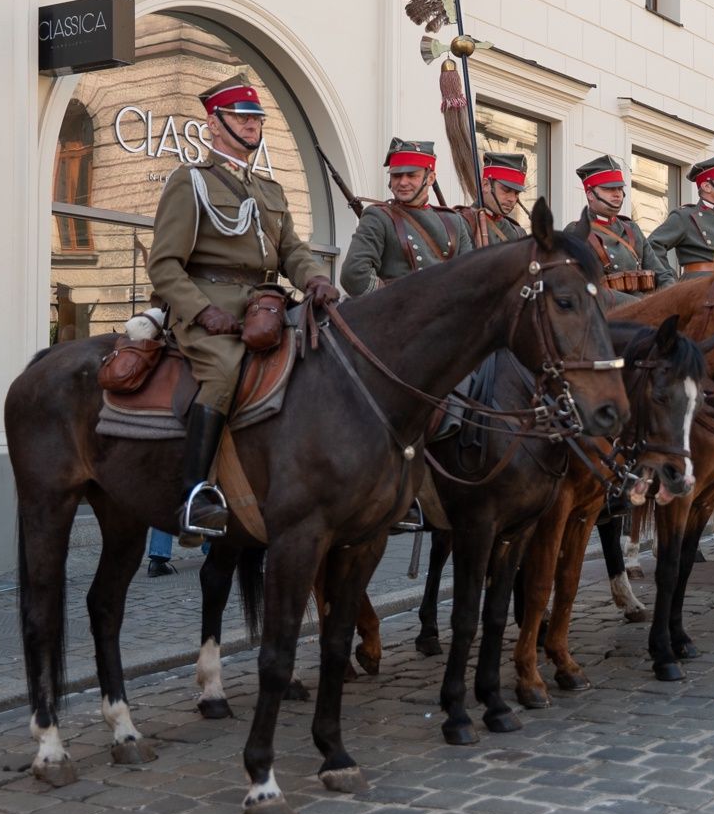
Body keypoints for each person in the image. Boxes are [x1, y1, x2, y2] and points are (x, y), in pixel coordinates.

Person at [148, 75, 337, 537]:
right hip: (209, 309)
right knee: (225, 371)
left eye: (256, 119)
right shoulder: (190, 181)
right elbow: (164, 264)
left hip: (263, 304)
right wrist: (201, 310)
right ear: (214, 125)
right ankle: (196, 495)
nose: (251, 126)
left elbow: (291, 249)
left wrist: (314, 277)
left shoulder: (270, 190)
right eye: (240, 118)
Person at [340, 138, 475, 296]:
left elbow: (470, 277)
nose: (403, 182)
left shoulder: (454, 221)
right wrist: (401, 305)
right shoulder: (378, 217)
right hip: (395, 316)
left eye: (411, 175)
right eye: (397, 176)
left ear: (430, 178)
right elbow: (354, 274)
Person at [565, 155, 674, 300]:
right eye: (608, 189)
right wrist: (638, 304)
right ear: (590, 194)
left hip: (644, 312)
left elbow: (661, 274)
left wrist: (674, 296)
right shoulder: (576, 232)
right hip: (605, 316)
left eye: (619, 188)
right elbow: (583, 286)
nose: (617, 194)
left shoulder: (632, 229)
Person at [649, 151, 714, 272]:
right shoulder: (685, 216)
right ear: (706, 186)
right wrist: (668, 280)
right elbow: (652, 246)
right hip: (698, 287)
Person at [457, 151, 528, 248]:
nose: (512, 199)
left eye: (516, 193)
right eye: (506, 190)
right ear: (485, 185)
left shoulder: (518, 234)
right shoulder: (461, 223)